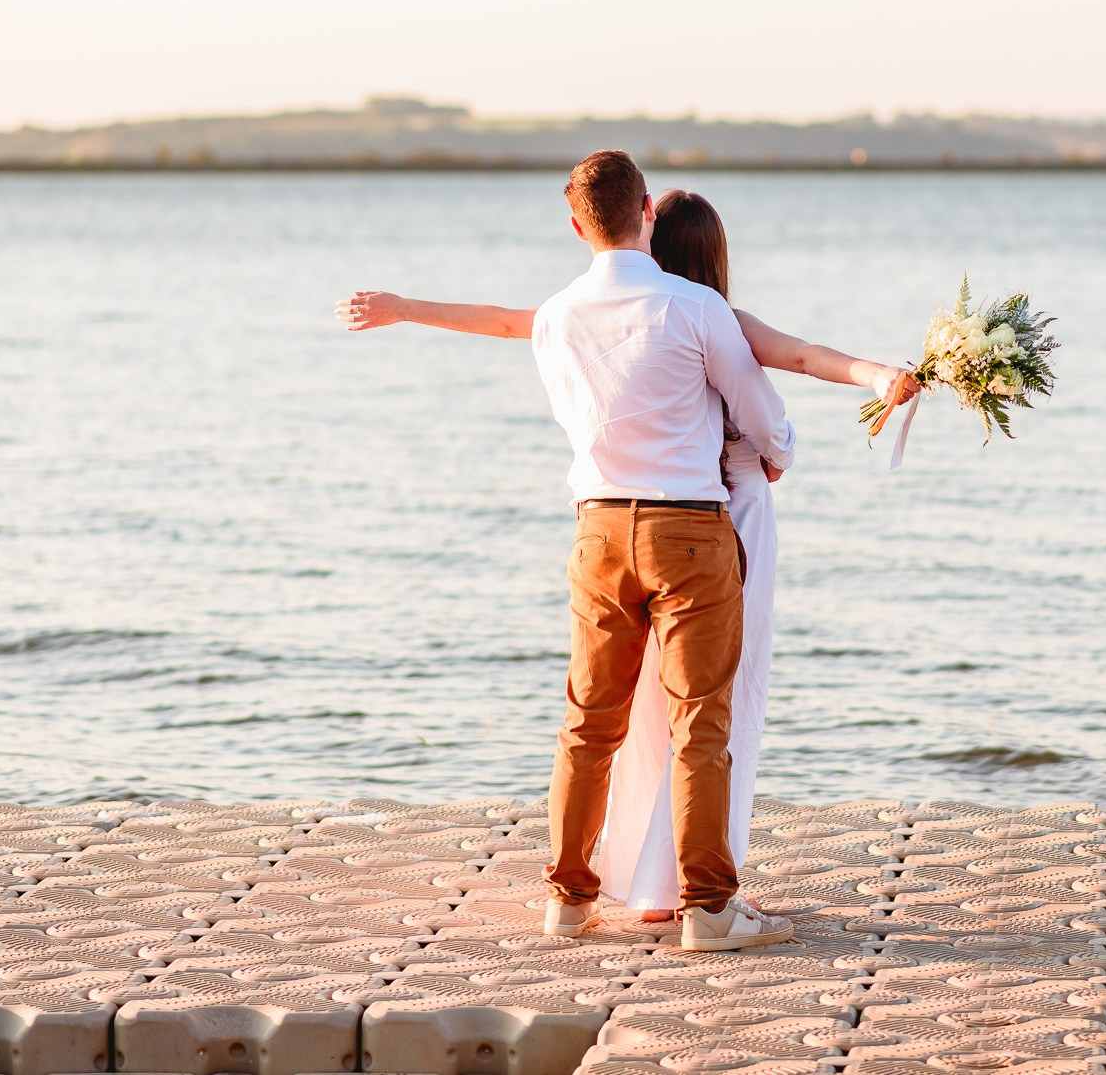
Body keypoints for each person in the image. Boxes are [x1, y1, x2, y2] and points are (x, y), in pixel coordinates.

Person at [338, 156, 919, 942]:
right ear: (644, 209)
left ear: (576, 224)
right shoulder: (699, 307)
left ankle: (569, 898)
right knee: (700, 723)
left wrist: (404, 307)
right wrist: (791, 438)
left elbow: (500, 319)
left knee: (589, 723)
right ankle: (707, 907)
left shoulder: (558, 315)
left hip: (599, 529)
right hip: (690, 531)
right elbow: (773, 401)